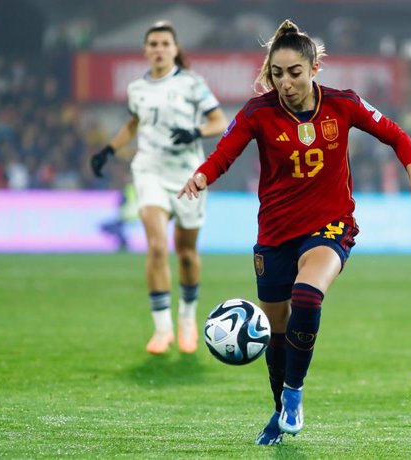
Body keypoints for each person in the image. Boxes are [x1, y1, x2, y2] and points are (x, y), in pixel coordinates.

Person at [179, 19, 411, 445]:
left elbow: (396, 135)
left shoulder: (343, 104)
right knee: (276, 335)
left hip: (330, 225)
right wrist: (202, 176)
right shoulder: (258, 112)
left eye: (295, 73)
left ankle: (295, 395)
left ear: (314, 68)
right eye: (278, 73)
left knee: (307, 294)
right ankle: (279, 409)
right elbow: (225, 152)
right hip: (275, 235)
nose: (286, 82)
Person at [90, 21, 228, 354]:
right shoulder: (137, 88)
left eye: (164, 43)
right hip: (149, 171)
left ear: (175, 49)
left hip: (186, 176)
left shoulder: (193, 84)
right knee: (155, 247)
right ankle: (162, 328)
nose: (158, 49)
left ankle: (187, 319)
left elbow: (219, 121)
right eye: (152, 43)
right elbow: (134, 123)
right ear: (146, 50)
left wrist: (196, 133)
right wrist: (109, 150)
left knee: (187, 254)